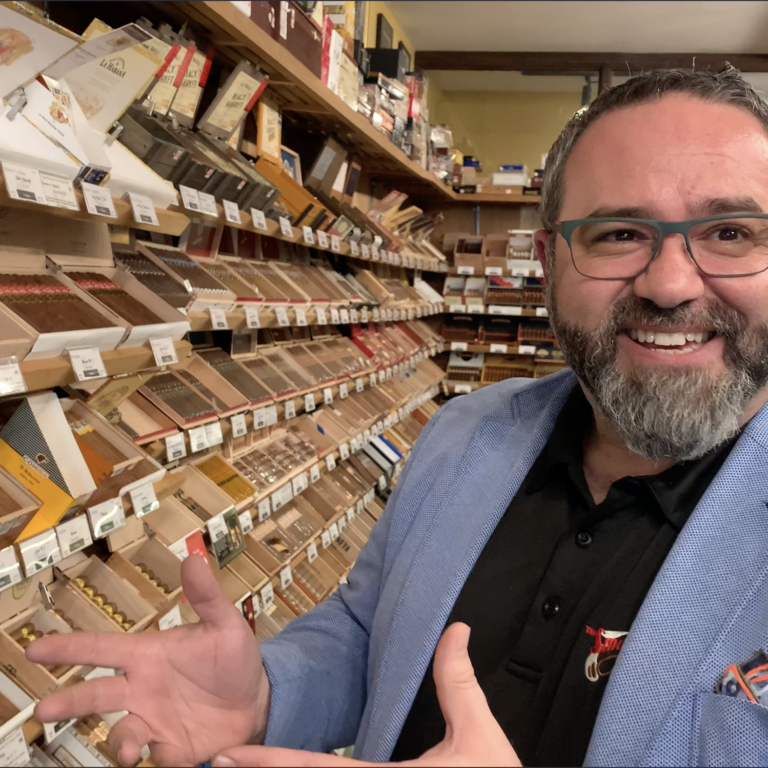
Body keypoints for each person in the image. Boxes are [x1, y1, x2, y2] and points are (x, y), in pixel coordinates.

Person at [28, 63, 768, 767]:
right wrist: (267, 693)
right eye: (619, 234)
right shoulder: (466, 432)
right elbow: (367, 632)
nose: (670, 284)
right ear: (549, 263)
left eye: (731, 232)